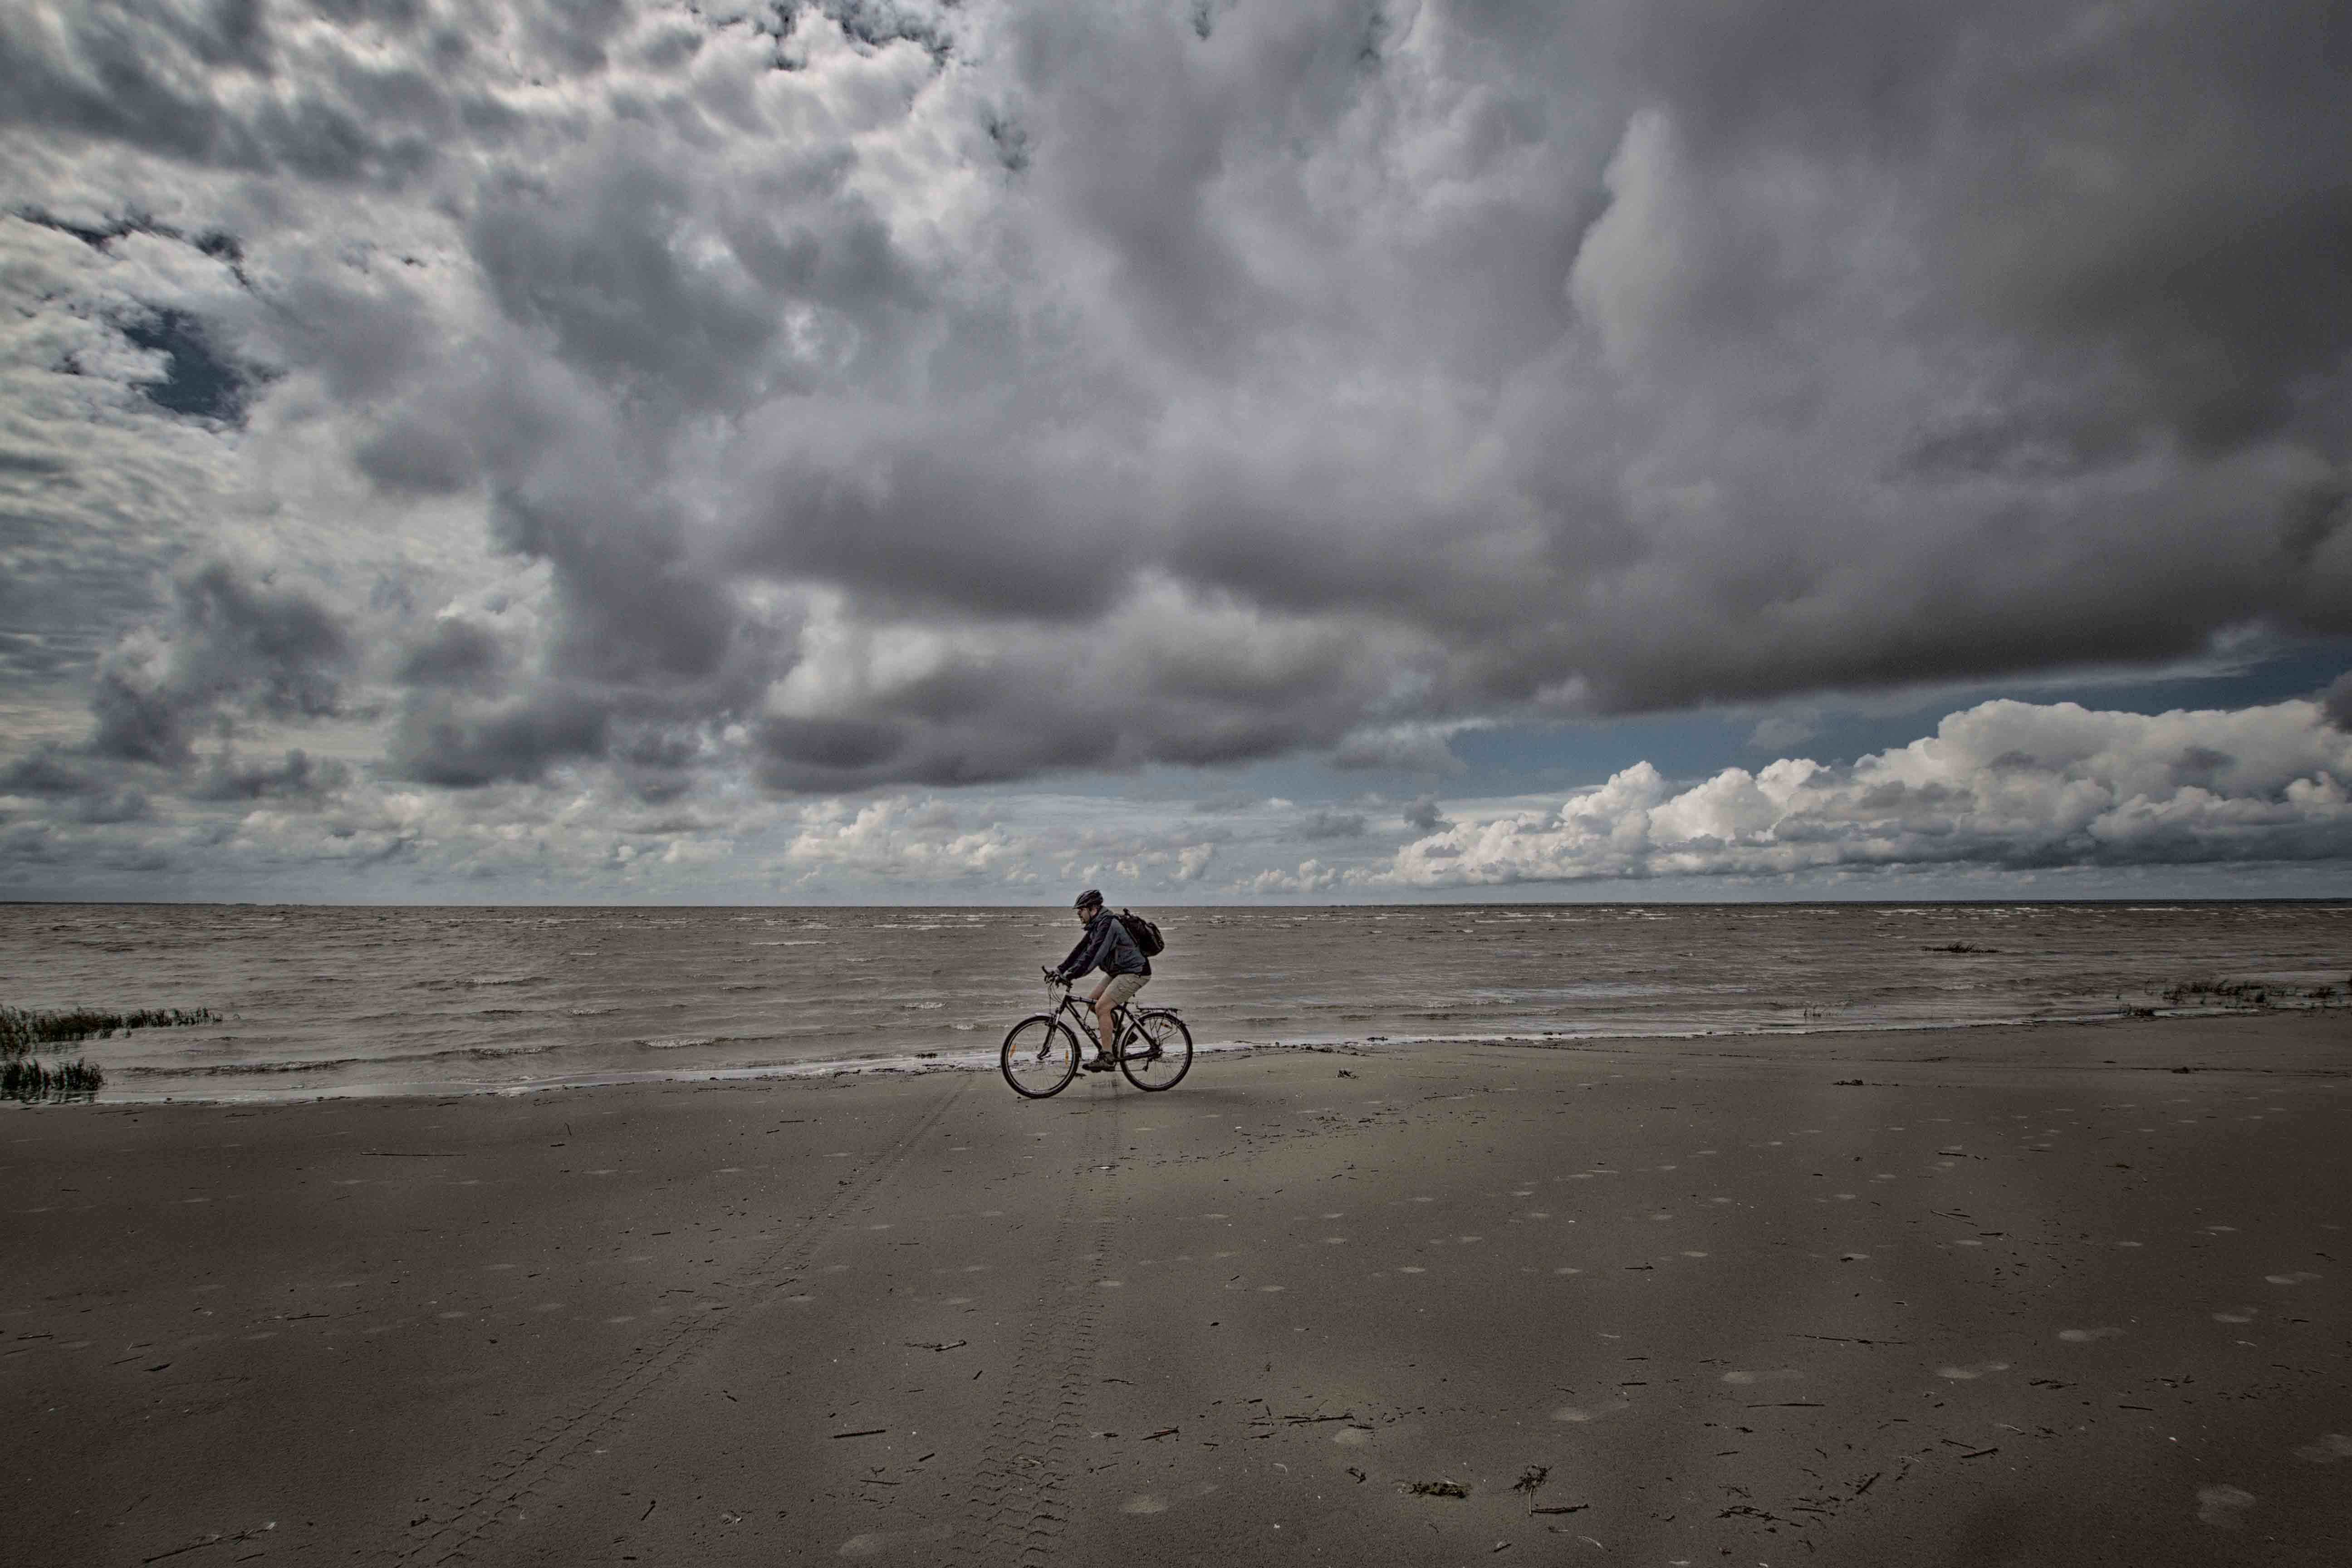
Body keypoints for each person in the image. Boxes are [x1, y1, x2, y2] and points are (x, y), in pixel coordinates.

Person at [1046, 888, 1151, 1072]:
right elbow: (1081, 949)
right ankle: (1124, 1033)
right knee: (1093, 1003)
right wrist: (1060, 970)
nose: (1079, 913)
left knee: (1103, 1007)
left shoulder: (1108, 925)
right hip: (1120, 971)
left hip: (1136, 972)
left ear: (1093, 909)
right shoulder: (1098, 924)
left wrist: (1070, 975)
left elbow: (1093, 956)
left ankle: (1107, 1056)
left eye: (1081, 909)